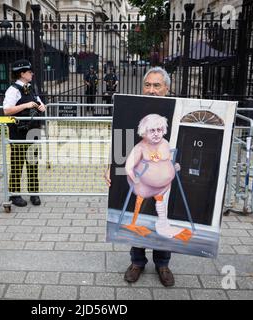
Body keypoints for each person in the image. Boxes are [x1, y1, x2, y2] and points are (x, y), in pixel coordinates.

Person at [105, 66, 177, 287]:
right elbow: (122, 137)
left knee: (163, 216)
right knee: (136, 213)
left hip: (165, 182)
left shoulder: (175, 111)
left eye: (157, 85)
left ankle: (162, 264)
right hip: (140, 179)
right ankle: (137, 262)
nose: (152, 90)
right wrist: (112, 168)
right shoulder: (132, 107)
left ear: (167, 88)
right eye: (148, 85)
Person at [3, 59, 46, 207]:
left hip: (32, 131)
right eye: (29, 72)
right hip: (18, 132)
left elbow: (40, 104)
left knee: (33, 163)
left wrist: (41, 106)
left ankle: (34, 193)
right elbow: (7, 110)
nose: (32, 73)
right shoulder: (13, 90)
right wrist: (26, 105)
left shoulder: (31, 88)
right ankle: (14, 195)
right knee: (17, 163)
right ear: (22, 74)